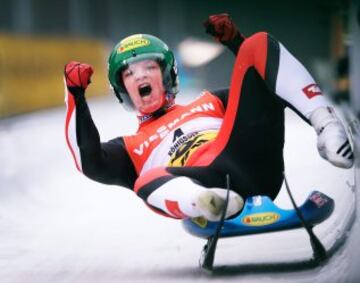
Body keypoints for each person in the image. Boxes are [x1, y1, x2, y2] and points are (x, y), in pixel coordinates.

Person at [64, 14, 353, 222]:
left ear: (166, 75)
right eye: (128, 73)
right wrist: (75, 95)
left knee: (259, 42)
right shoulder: (128, 148)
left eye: (149, 66)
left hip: (247, 159)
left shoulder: (210, 100)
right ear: (123, 90)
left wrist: (237, 44)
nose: (139, 75)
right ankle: (209, 203)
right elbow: (88, 162)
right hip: (199, 180)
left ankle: (328, 128)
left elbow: (265, 87)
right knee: (145, 181)